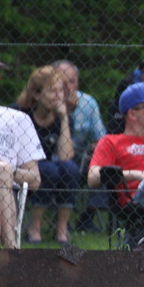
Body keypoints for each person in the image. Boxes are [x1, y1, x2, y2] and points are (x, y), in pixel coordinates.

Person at [87, 82, 144, 220]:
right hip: (137, 202)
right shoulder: (111, 141)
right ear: (132, 114)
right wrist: (138, 175)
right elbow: (92, 178)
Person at [13, 65, 80, 245]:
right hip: (24, 167)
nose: (58, 96)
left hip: (52, 167)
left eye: (61, 91)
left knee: (70, 169)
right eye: (52, 91)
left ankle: (62, 229)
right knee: (49, 169)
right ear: (36, 94)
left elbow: (66, 156)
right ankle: (34, 228)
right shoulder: (20, 113)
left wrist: (64, 118)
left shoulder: (63, 116)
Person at [0, 47, 44, 249]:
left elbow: (35, 179)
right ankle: (12, 250)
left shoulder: (17, 119)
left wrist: (9, 169)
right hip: (5, 201)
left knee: (1, 169)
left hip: (2, 190)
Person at [51, 59, 108, 232]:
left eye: (72, 81)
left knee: (105, 165)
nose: (68, 86)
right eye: (62, 82)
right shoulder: (47, 101)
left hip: (82, 157)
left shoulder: (88, 103)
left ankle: (87, 217)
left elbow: (101, 138)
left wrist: (96, 147)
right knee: (64, 168)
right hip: (53, 158)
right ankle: (61, 221)